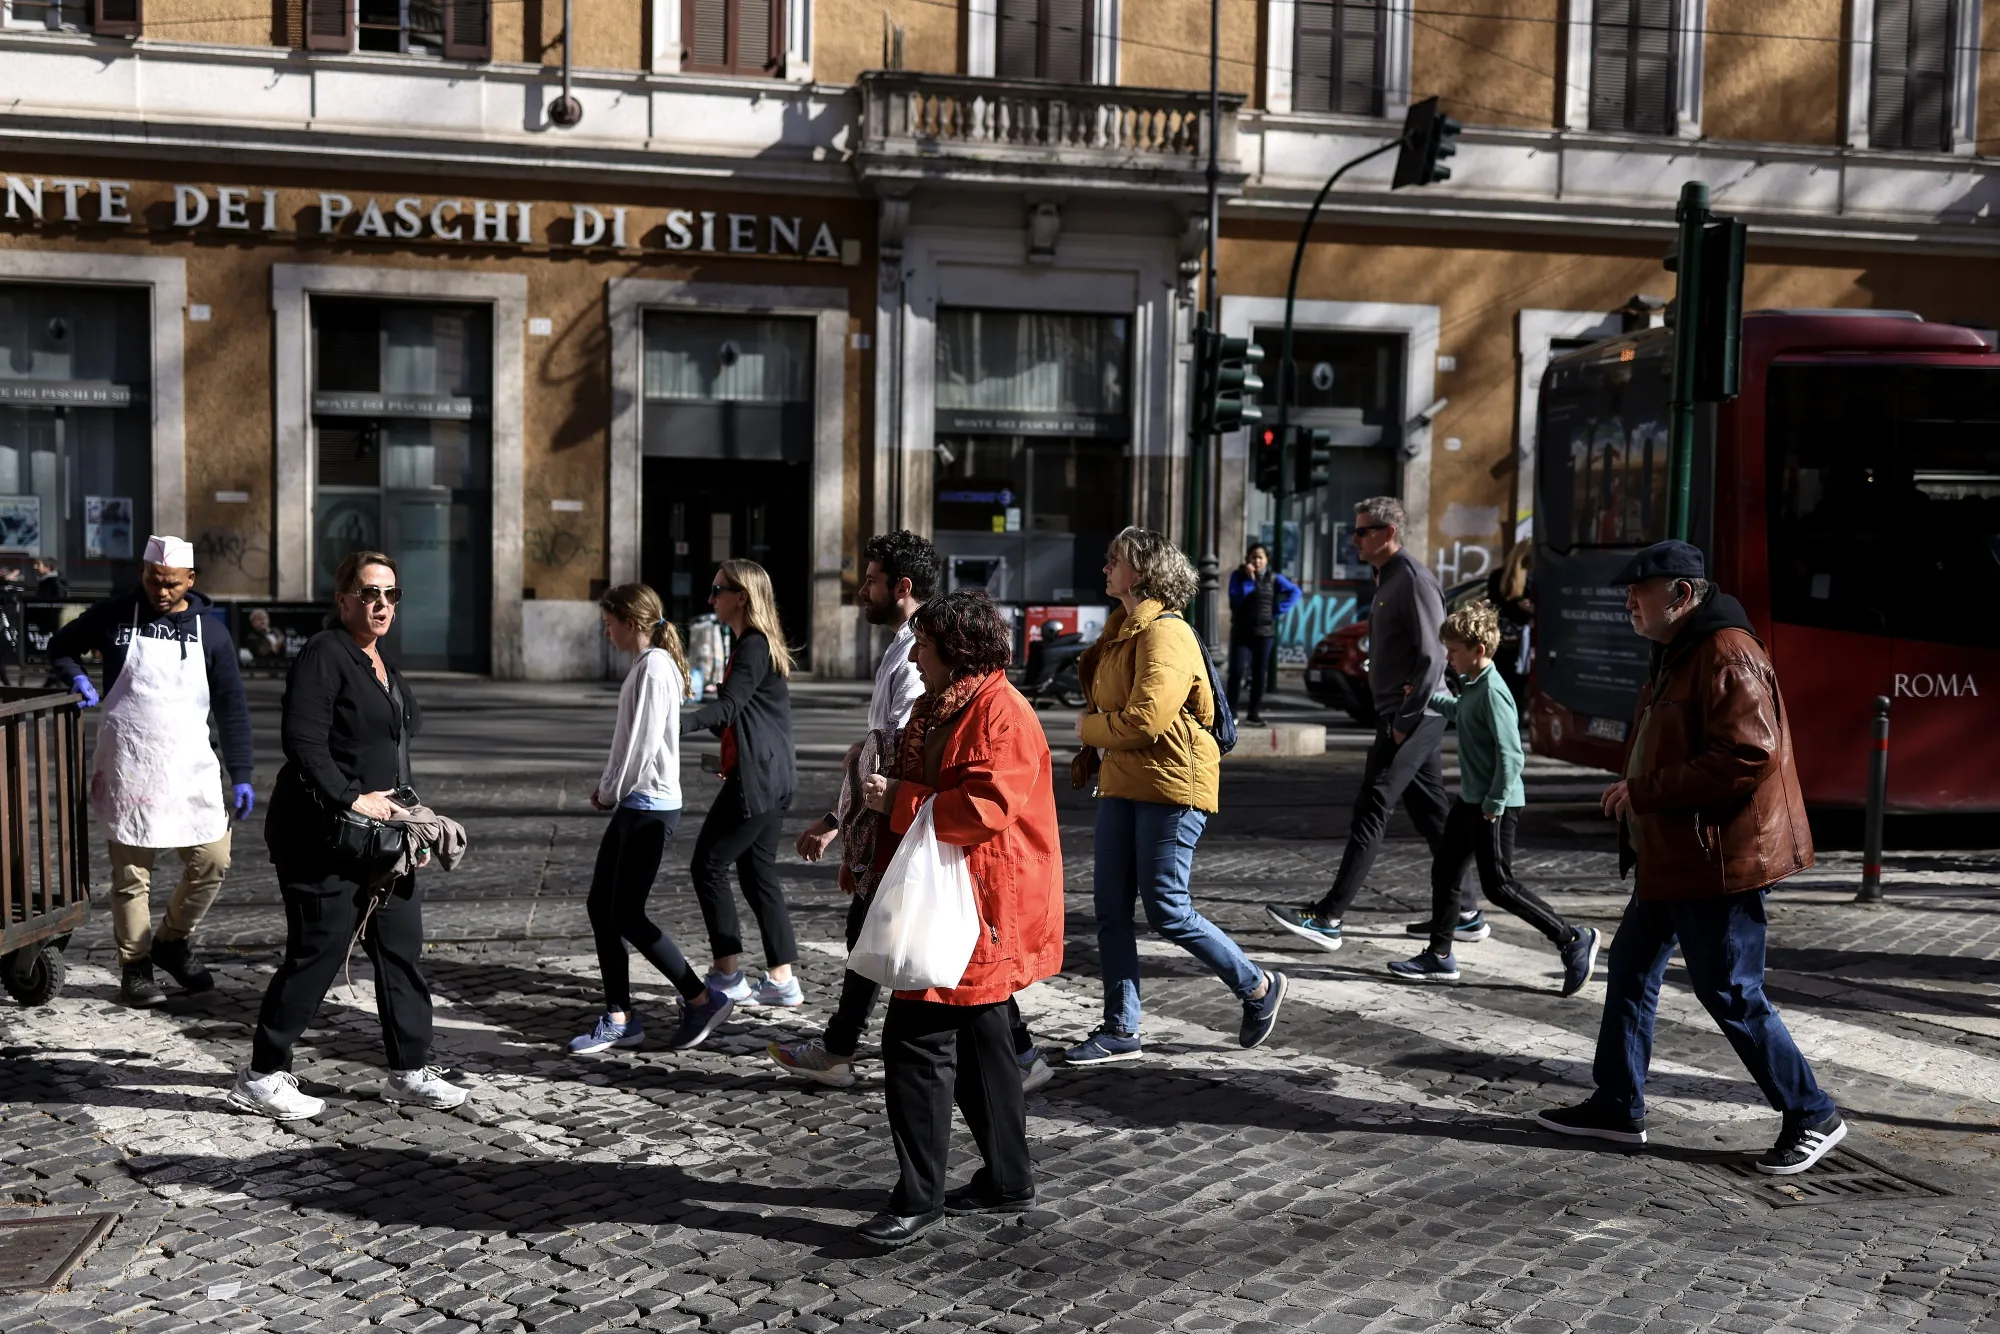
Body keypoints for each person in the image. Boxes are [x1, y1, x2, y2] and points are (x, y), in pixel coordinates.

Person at [1536, 540, 1843, 1176]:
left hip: (1717, 859)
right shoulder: (1681, 651)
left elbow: (1748, 755)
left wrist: (1644, 790)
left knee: (1730, 990)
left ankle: (1813, 1113)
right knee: (1629, 967)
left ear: (1681, 594)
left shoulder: (1726, 652)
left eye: (1638, 591)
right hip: (1674, 855)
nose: (1628, 601)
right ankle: (1619, 1102)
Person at [851, 589, 1064, 1248]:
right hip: (960, 899)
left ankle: (918, 1197)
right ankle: (1007, 1177)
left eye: (926, 644)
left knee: (914, 1044)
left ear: (956, 650)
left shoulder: (1000, 713)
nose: (916, 653)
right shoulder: (943, 705)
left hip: (977, 907)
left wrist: (899, 800)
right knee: (982, 1045)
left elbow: (983, 809)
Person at [229, 550, 465, 1121]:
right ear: (344, 601)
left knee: (400, 945)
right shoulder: (325, 654)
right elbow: (302, 741)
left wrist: (416, 822)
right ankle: (262, 1074)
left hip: (381, 838)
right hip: (320, 834)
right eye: (368, 593)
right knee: (319, 947)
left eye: (390, 594)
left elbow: (392, 752)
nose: (381, 603)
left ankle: (410, 1067)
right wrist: (350, 796)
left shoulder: (381, 661)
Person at [1064, 526, 1286, 1065]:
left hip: (1171, 785)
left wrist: (1087, 729)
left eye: (1113, 558)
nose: (1105, 568)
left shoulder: (1166, 633)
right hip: (1122, 783)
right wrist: (1098, 729)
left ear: (1140, 571)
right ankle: (1121, 1028)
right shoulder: (1122, 631)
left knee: (1166, 908)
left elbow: (1145, 720)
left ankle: (1257, 986)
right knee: (1111, 910)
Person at [1265, 496, 1481, 952]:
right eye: (1355, 530)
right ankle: (1463, 909)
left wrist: (1403, 721)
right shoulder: (1388, 577)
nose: (1354, 538)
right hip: (1405, 715)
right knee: (1433, 815)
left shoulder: (1414, 581)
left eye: (1362, 531)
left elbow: (1433, 656)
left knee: (1372, 806)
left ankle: (1328, 916)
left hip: (1414, 718)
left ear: (1388, 534)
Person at [48, 534, 255, 1008]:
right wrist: (76, 675)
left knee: (212, 860)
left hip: (190, 766)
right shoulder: (114, 615)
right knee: (131, 876)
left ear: (191, 580)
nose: (161, 592)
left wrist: (241, 771)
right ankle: (135, 965)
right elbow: (62, 646)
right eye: (153, 581)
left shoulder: (214, 632)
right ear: (143, 573)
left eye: (171, 584)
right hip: (131, 765)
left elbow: (231, 704)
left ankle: (172, 941)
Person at [1385, 601, 1599, 994]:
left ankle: (1571, 938)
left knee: (1499, 885)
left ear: (1477, 650)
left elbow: (1511, 755)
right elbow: (1462, 711)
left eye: (1453, 650)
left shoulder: (1494, 692)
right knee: (1446, 870)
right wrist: (1427, 698)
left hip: (1492, 806)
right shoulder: (1473, 685)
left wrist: (1493, 805)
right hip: (1472, 800)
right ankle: (1439, 955)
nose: (1448, 657)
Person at [569, 583, 738, 1056]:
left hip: (649, 806)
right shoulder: (647, 666)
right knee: (602, 905)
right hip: (636, 803)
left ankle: (702, 998)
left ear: (631, 621)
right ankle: (621, 1015)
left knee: (624, 912)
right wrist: (611, 788)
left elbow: (641, 748)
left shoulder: (654, 670)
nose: (605, 630)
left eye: (609, 621)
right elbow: (627, 742)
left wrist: (610, 790)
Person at [680, 560, 802, 1007]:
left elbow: (729, 709)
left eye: (717, 591)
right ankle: (782, 980)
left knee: (707, 866)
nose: (711, 600)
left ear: (742, 596)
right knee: (757, 873)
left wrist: (672, 725)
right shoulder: (755, 643)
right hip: (774, 773)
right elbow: (742, 716)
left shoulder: (752, 644)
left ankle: (728, 974)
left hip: (761, 778)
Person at [1226, 541, 1301, 726]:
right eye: (1253, 557)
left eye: (1260, 557)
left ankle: (1254, 712)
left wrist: (1277, 611)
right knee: (1237, 671)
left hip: (1265, 632)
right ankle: (1231, 713)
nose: (1257, 561)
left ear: (1266, 560)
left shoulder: (1274, 578)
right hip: (1242, 631)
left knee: (1260, 673)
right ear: (1247, 560)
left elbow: (1295, 592)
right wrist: (1250, 581)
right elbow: (1235, 598)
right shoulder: (1238, 576)